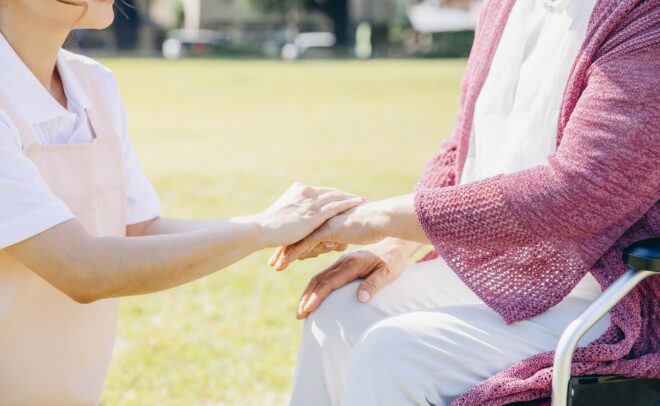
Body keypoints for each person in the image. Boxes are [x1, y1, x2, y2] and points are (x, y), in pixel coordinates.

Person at [273, 0, 660, 405]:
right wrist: (396, 245)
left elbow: (578, 192)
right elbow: (463, 145)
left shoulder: (643, 16)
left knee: (394, 353)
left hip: (610, 296)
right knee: (338, 314)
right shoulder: (503, 6)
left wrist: (379, 219)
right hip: (499, 270)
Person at [0, 1, 365, 404]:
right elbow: (81, 268)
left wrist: (278, 224)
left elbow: (138, 230)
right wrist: (260, 230)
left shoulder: (93, 84)